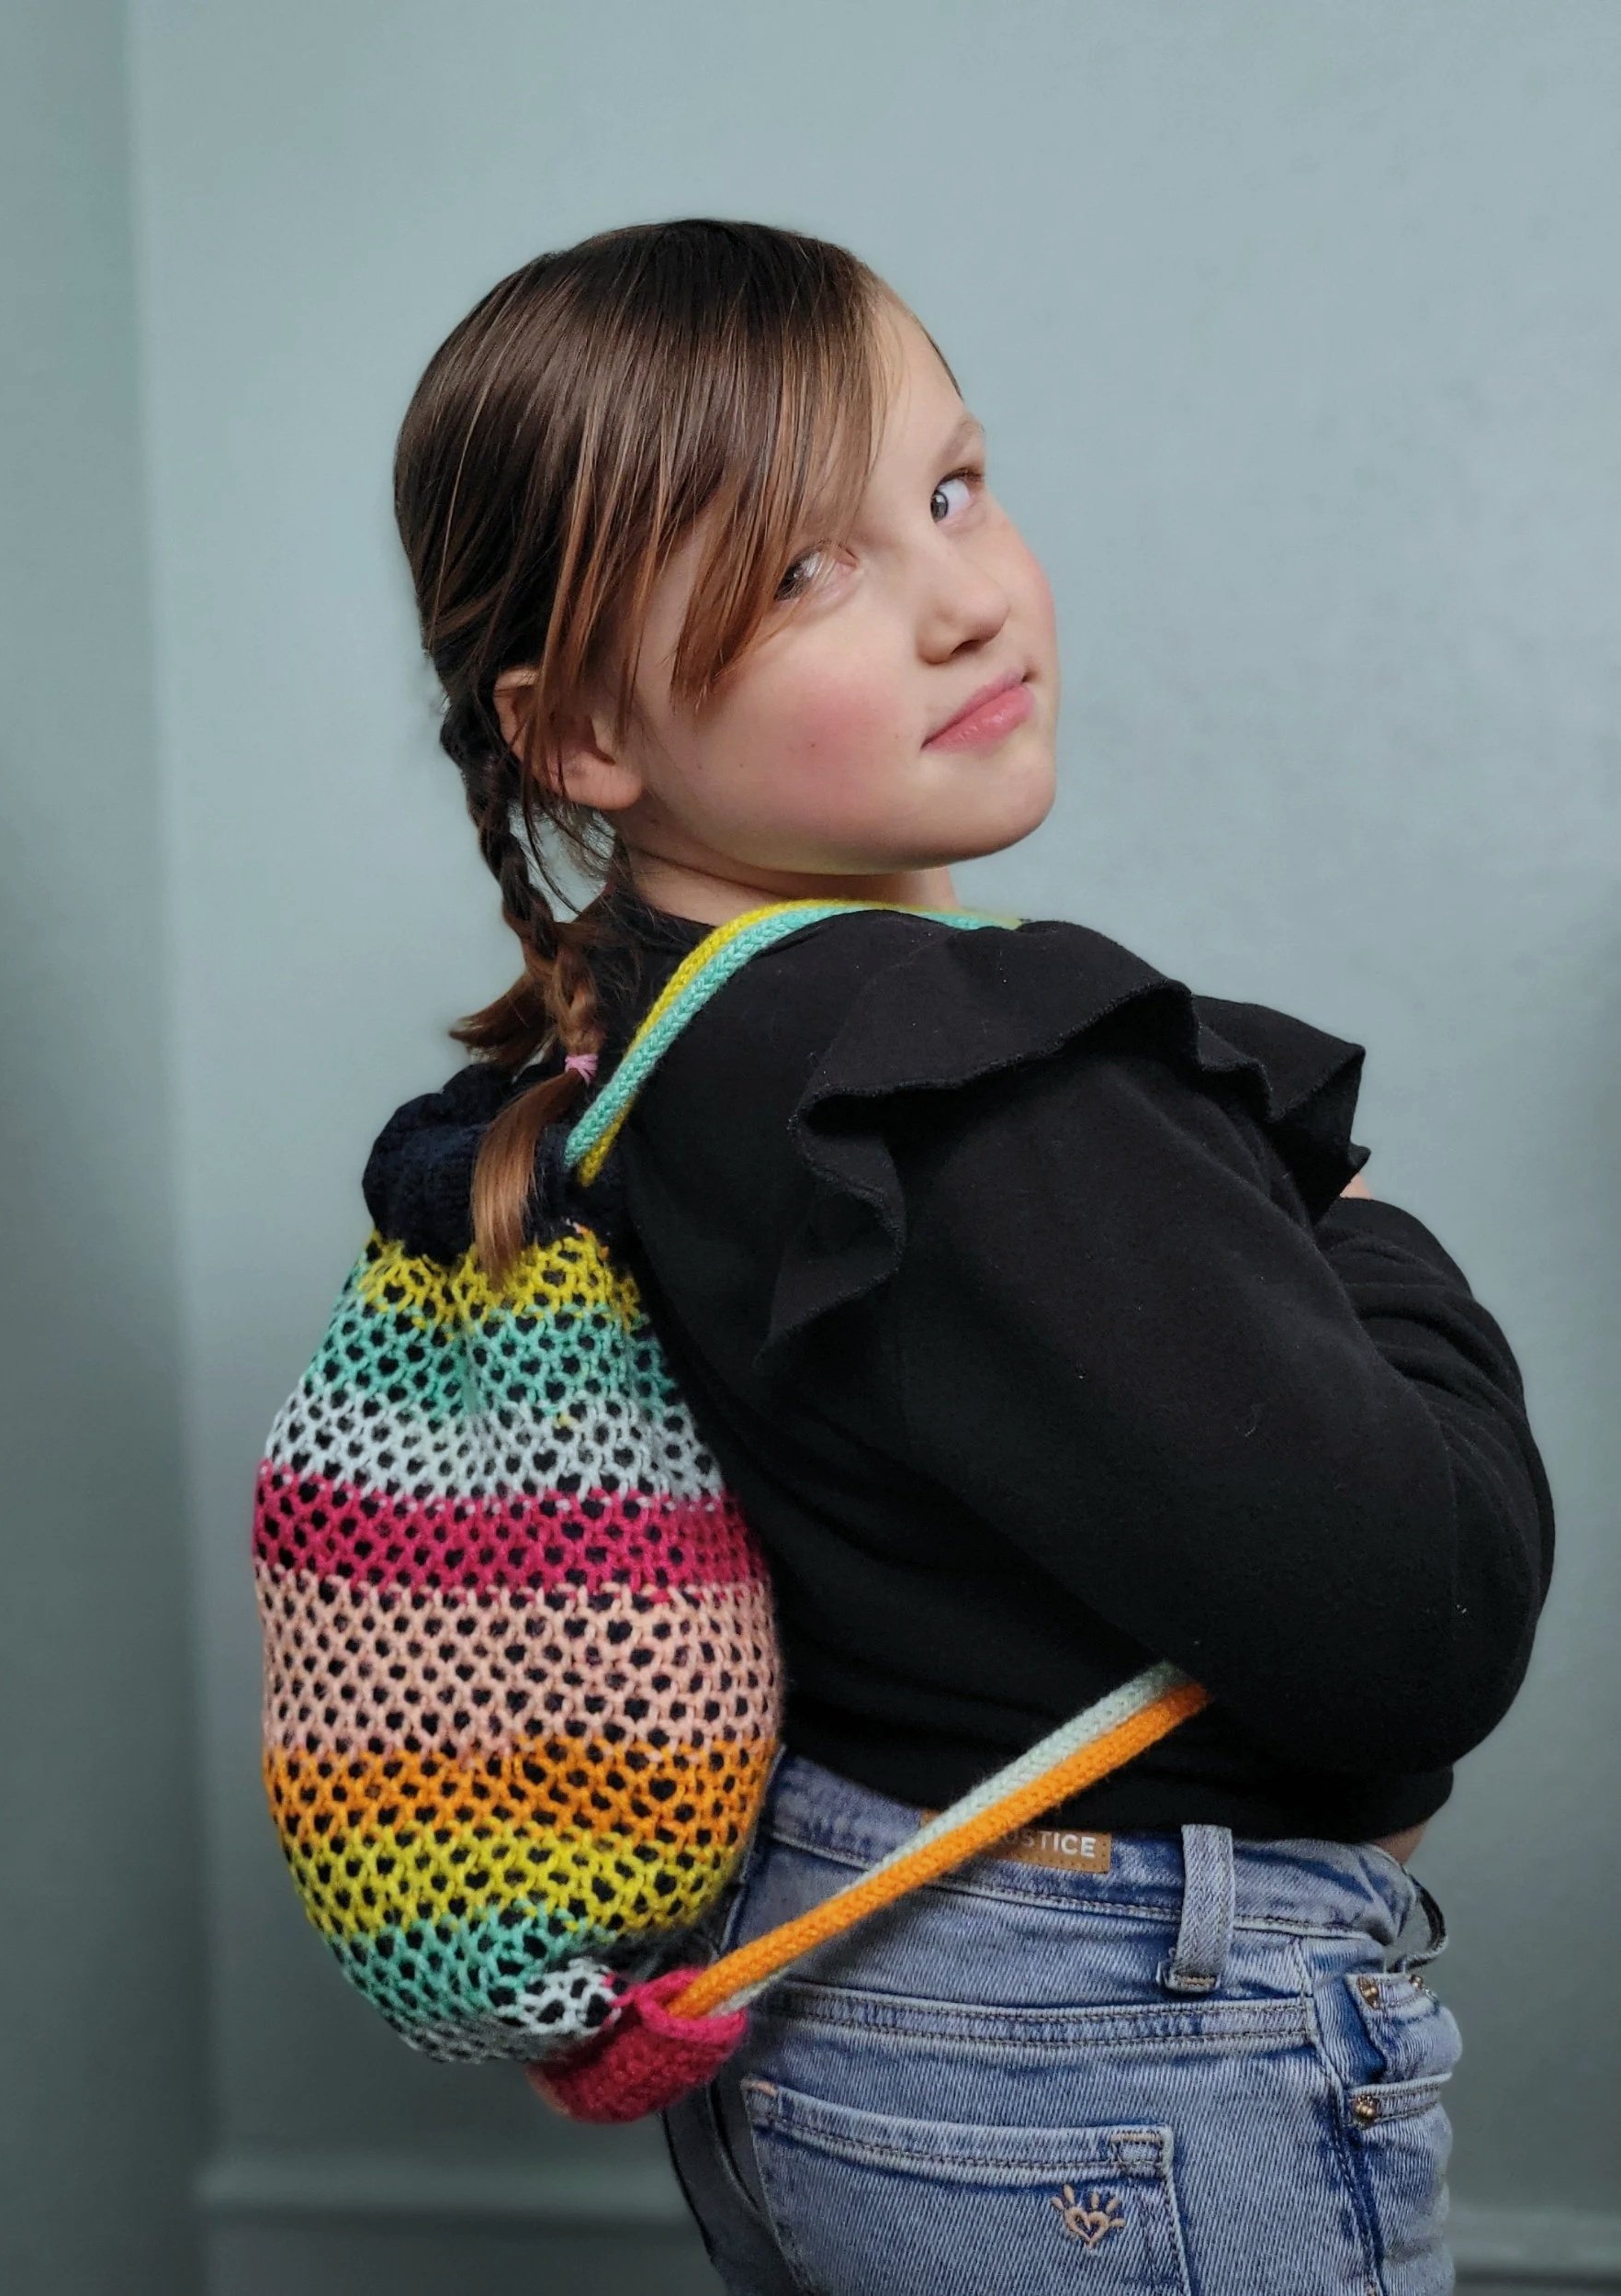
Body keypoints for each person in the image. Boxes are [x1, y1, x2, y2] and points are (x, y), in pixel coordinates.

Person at [367, 218, 1554, 2293]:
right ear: (577, 738)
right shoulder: (945, 1077)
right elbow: (1420, 1621)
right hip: (1105, 2070)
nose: (956, 597)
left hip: (850, 2017)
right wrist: (1369, 1246)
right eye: (800, 571)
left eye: (945, 488)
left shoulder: (660, 1036)